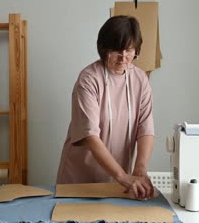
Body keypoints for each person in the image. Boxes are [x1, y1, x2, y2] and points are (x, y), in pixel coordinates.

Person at [56, 15, 155, 200]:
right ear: (103, 48)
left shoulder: (140, 80)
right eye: (117, 50)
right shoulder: (88, 79)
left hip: (119, 182)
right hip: (81, 180)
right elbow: (90, 136)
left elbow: (145, 128)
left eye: (129, 49)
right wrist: (123, 176)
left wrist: (140, 168)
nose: (124, 57)